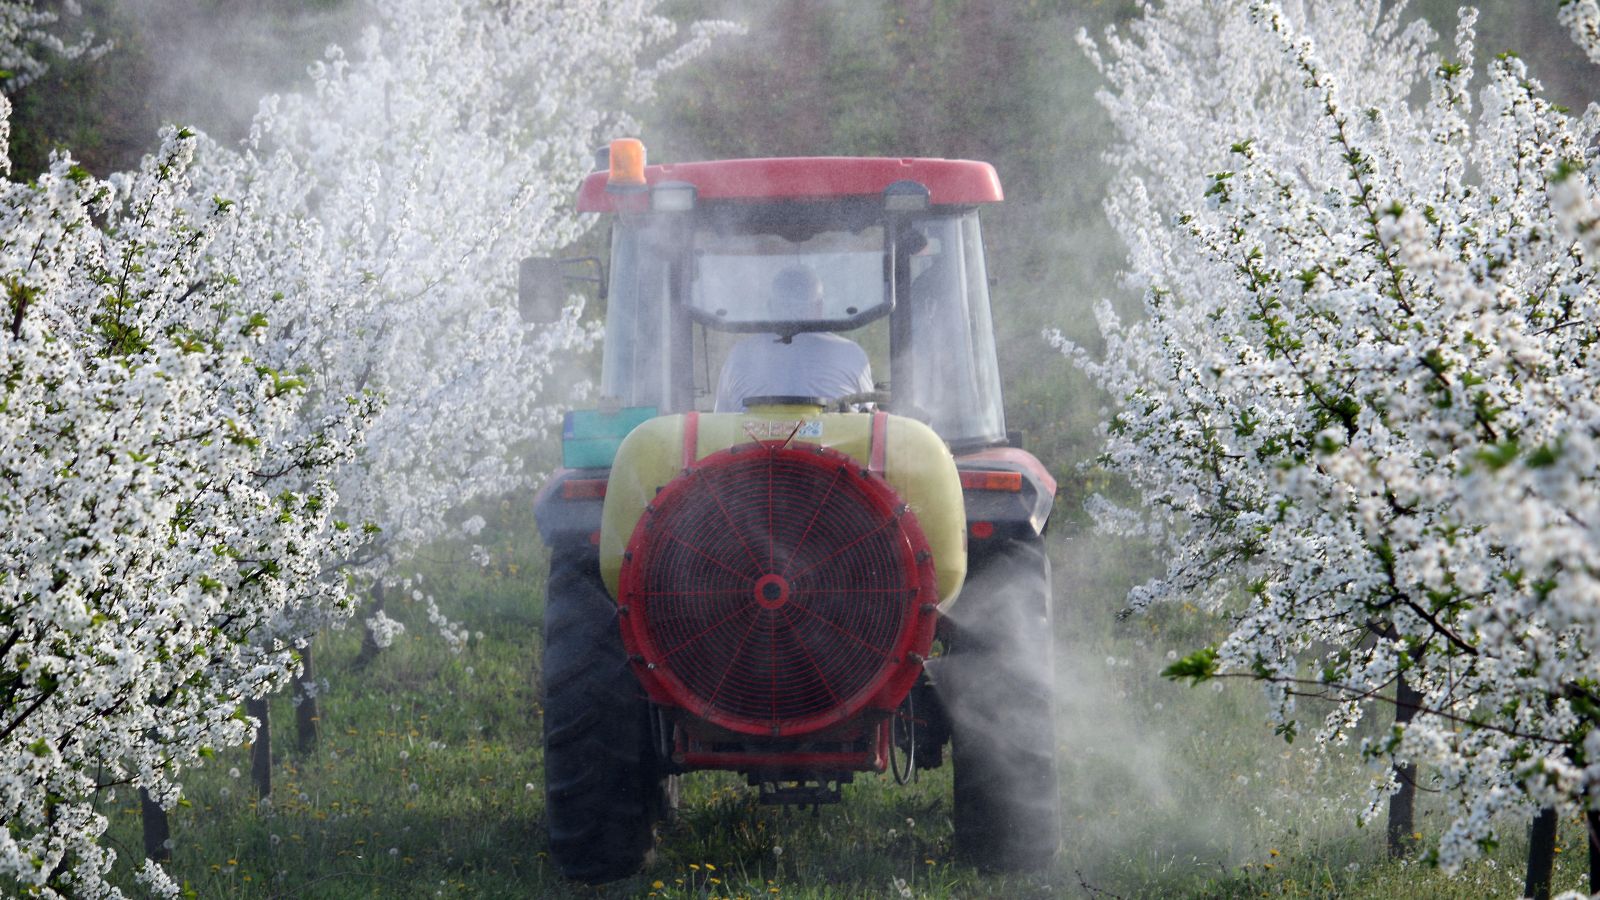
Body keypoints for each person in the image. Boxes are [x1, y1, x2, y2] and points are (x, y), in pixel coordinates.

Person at [714, 266, 874, 411]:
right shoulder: (850, 354)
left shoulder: (740, 355)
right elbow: (870, 418)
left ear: (770, 307)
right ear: (819, 307)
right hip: (835, 443)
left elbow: (719, 423)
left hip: (752, 442)